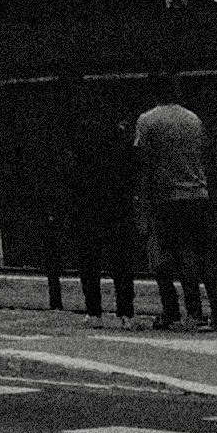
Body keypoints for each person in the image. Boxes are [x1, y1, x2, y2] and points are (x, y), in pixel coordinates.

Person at [132, 85, 217, 330]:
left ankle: (178, 311)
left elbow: (143, 161)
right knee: (202, 253)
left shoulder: (147, 120)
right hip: (198, 193)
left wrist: (142, 201)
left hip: (167, 197)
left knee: (164, 254)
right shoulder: (193, 119)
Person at [64, 108, 140, 324]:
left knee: (90, 262)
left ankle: (94, 312)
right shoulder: (120, 149)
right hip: (117, 209)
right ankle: (126, 312)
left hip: (88, 210)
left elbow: (72, 181)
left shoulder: (82, 150)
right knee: (122, 263)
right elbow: (130, 177)